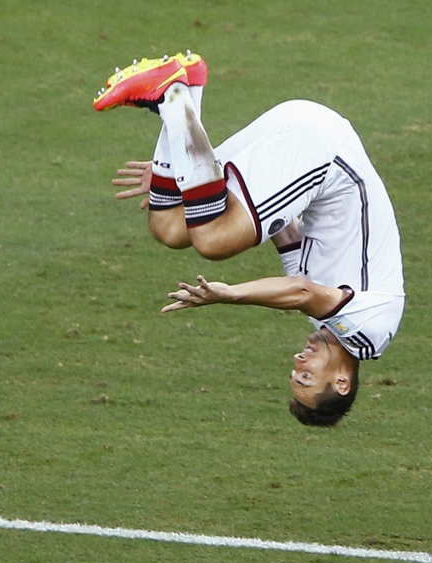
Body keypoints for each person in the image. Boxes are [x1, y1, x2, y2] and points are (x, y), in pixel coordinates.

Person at [94, 52, 404, 426]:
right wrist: (229, 294)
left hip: (305, 134)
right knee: (212, 242)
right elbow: (302, 291)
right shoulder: (368, 335)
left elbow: (283, 229)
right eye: (306, 376)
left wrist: (183, 181)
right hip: (324, 153)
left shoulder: (329, 322)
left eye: (295, 375)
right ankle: (173, 95)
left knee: (171, 227)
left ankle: (187, 88)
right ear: (341, 382)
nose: (297, 362)